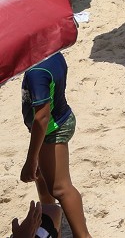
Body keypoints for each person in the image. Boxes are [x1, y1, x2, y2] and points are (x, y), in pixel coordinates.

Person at [18, 53, 90, 238]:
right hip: (61, 118)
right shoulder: (54, 54)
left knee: (60, 187)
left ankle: (83, 235)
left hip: (52, 131)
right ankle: (50, 221)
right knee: (42, 176)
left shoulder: (36, 72)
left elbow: (42, 118)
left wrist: (30, 159)